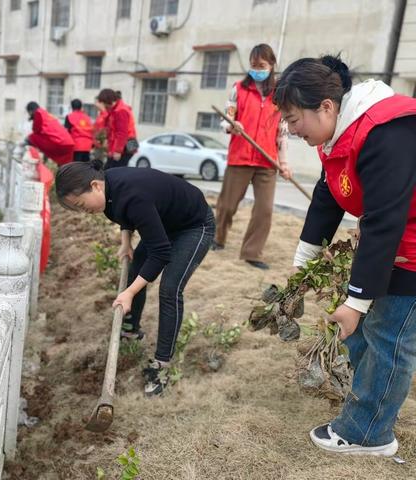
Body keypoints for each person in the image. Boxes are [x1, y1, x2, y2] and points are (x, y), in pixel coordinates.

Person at [273, 54, 416, 456]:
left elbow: (385, 222)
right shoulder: (338, 134)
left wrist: (355, 302)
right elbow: (326, 196)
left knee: (390, 338)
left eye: (292, 117)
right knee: (366, 331)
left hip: (409, 246)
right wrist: (304, 261)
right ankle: (367, 403)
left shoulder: (385, 132)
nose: (290, 128)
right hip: (392, 240)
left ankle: (369, 434)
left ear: (326, 106)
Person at [55, 162, 215, 395]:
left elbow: (160, 253)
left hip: (194, 226)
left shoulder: (132, 195)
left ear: (95, 186)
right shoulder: (109, 189)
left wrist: (129, 292)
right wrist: (126, 242)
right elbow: (123, 214)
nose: (83, 211)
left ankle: (162, 364)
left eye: (81, 205)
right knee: (138, 266)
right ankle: (131, 330)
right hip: (166, 223)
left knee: (170, 289)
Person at [212, 43, 291, 270]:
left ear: (272, 65)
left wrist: (284, 162)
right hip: (240, 157)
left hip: (267, 162)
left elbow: (282, 131)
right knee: (227, 205)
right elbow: (226, 119)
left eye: (262, 65)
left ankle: (252, 252)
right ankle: (218, 238)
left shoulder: (279, 95)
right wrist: (231, 126)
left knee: (264, 209)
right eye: (253, 65)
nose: (257, 69)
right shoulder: (239, 89)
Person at [96, 89, 138, 169]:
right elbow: (109, 127)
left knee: (113, 170)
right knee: (112, 169)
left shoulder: (121, 110)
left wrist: (118, 151)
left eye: (103, 103)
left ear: (107, 101)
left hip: (127, 143)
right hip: (127, 142)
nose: (104, 105)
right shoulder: (116, 109)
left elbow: (122, 132)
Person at [26, 101, 74, 166]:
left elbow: (36, 131)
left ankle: (34, 162)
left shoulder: (38, 113)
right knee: (65, 169)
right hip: (69, 143)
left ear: (30, 111)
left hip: (60, 143)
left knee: (31, 137)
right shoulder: (46, 114)